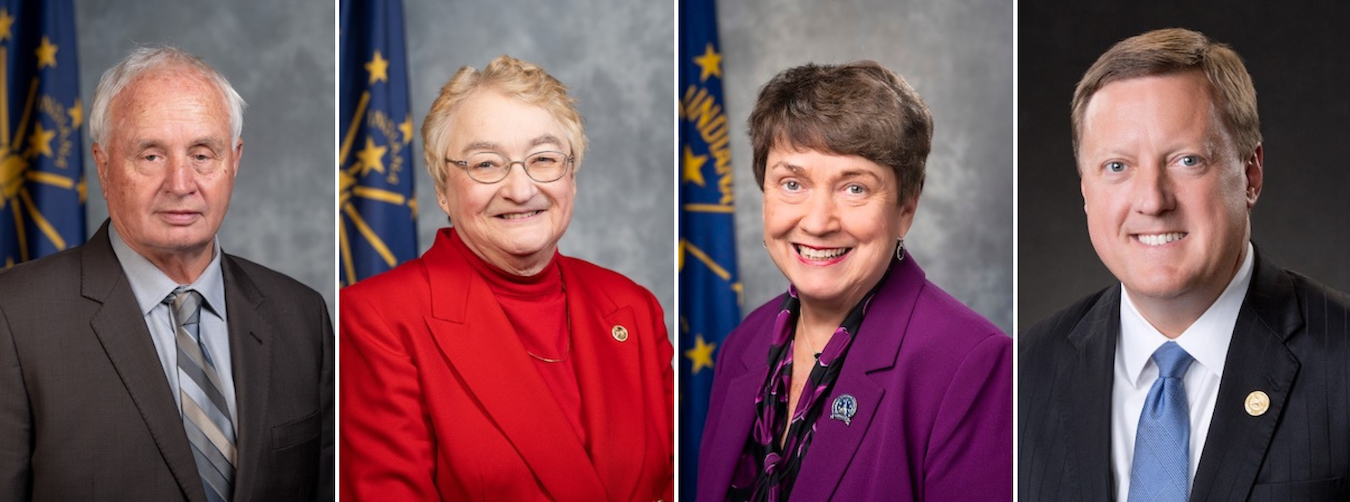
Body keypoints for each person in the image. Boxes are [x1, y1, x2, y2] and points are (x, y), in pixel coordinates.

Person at [1020, 28, 1350, 501]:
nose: (1152, 201)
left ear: (1251, 174)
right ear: (1084, 190)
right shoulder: (1025, 376)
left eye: (1187, 160)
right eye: (1117, 166)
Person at [0, 46, 333, 501]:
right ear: (103, 164)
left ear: (234, 161)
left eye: (202, 154)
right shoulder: (15, 316)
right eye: (151, 155)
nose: (180, 184)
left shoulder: (302, 315)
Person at [340, 55, 674, 502]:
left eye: (544, 158)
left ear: (571, 177)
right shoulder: (378, 318)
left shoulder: (632, 308)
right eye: (486, 164)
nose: (520, 190)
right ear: (442, 188)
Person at [696, 61, 1012, 501]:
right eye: (792, 183)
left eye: (855, 188)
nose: (819, 222)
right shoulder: (740, 346)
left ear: (906, 207)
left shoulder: (972, 365)